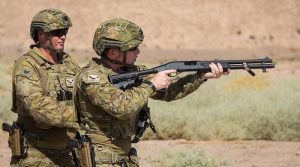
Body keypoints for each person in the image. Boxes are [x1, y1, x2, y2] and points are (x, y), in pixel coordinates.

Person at [73, 18, 229, 166]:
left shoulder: (132, 72)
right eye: (133, 48)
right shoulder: (92, 77)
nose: (138, 52)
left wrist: (200, 76)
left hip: (124, 155)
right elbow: (121, 107)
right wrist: (151, 84)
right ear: (113, 52)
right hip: (100, 156)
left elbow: (170, 92)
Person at [9, 8, 80, 166]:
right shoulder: (27, 65)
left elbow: (85, 93)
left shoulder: (69, 63)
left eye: (65, 32)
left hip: (68, 152)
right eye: (57, 32)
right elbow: (37, 106)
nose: (62, 37)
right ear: (41, 34)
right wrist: (80, 115)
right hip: (36, 155)